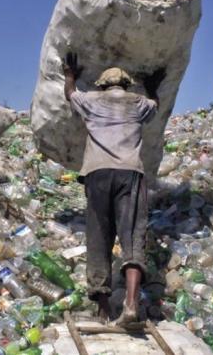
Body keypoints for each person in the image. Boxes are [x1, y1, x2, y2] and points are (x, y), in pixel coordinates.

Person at [63, 52, 165, 325]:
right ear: (126, 85)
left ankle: (103, 308)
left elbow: (70, 94)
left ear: (102, 85)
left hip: (97, 174)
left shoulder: (91, 101)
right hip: (129, 173)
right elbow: (155, 103)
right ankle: (131, 304)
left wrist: (70, 75)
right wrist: (154, 85)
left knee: (99, 236)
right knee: (132, 235)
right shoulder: (138, 103)